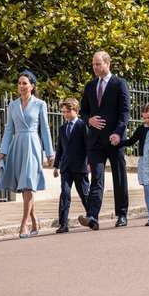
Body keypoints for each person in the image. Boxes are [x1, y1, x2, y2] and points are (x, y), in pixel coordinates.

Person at [0, 71, 54, 238]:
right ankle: (34, 220)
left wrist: (50, 153)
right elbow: (8, 130)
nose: (21, 86)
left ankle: (23, 225)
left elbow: (45, 129)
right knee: (25, 186)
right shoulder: (12, 105)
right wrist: (2, 150)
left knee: (28, 183)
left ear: (32, 86)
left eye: (24, 83)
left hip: (33, 145)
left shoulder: (40, 104)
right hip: (17, 146)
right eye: (19, 83)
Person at [79, 51, 130, 231]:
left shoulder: (119, 84)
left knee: (119, 177)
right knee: (97, 178)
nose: (95, 67)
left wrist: (118, 133)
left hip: (114, 140)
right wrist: (88, 120)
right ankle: (93, 216)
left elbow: (125, 113)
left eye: (98, 64)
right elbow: (83, 111)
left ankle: (122, 214)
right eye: (93, 64)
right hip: (96, 142)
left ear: (107, 64)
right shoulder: (90, 86)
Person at [53, 98, 90, 234]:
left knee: (84, 194)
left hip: (80, 167)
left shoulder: (82, 125)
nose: (65, 115)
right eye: (63, 112)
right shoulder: (62, 128)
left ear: (76, 111)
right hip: (66, 167)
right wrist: (56, 166)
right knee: (65, 194)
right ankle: (63, 224)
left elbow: (88, 146)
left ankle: (92, 217)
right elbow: (59, 149)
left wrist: (89, 163)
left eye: (68, 112)